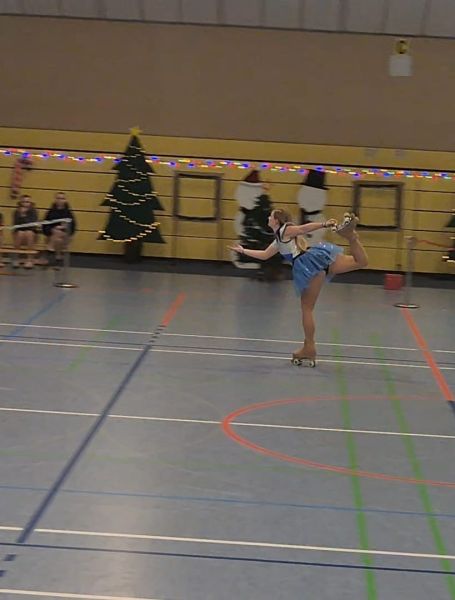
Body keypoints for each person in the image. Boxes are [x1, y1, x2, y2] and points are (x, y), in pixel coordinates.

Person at [230, 210, 368, 366]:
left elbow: (303, 229)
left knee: (307, 309)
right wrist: (243, 250)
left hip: (307, 265)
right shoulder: (279, 238)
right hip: (318, 258)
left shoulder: (285, 231)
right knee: (361, 262)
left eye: (271, 216)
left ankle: (309, 347)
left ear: (276, 221)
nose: (268, 217)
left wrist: (324, 224)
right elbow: (264, 255)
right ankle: (351, 237)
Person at [41, 192, 77, 267]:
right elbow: (44, 225)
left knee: (58, 232)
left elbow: (73, 227)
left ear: (65, 200)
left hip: (65, 235)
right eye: (58, 198)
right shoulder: (50, 212)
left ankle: (49, 248)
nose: (60, 200)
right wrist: (52, 229)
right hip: (52, 235)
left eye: (62, 198)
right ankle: (58, 257)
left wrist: (63, 228)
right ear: (55, 200)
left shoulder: (69, 213)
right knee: (58, 239)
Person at [12, 195, 39, 268]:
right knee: (20, 233)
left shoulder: (34, 211)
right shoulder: (16, 212)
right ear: (20, 203)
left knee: (29, 233)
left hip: (31, 232)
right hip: (19, 232)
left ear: (30, 203)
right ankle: (16, 258)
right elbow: (16, 225)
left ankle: (29, 259)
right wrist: (21, 215)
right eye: (23, 202)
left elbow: (32, 225)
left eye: (27, 202)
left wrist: (24, 216)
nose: (25, 204)